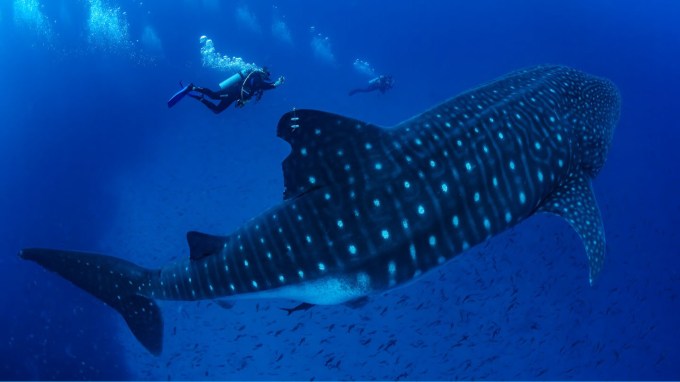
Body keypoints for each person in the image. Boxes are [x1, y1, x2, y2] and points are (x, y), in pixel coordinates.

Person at [188, 67, 285, 114]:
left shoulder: (257, 80)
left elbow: (259, 87)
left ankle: (201, 99)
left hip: (233, 97)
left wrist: (242, 101)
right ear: (263, 73)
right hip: (231, 92)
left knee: (217, 110)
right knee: (213, 96)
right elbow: (263, 85)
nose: (265, 78)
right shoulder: (256, 77)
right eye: (266, 76)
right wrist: (276, 83)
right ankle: (193, 87)